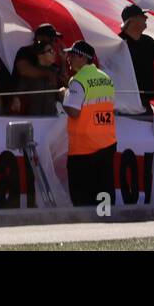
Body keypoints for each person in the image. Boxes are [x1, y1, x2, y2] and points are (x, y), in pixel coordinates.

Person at [61, 41, 116, 208]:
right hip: (107, 142)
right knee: (104, 191)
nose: (68, 58)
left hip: (84, 148)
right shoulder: (106, 78)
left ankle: (88, 231)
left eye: (72, 54)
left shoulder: (78, 80)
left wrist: (63, 95)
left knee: (82, 198)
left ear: (82, 57)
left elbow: (73, 111)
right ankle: (107, 223)